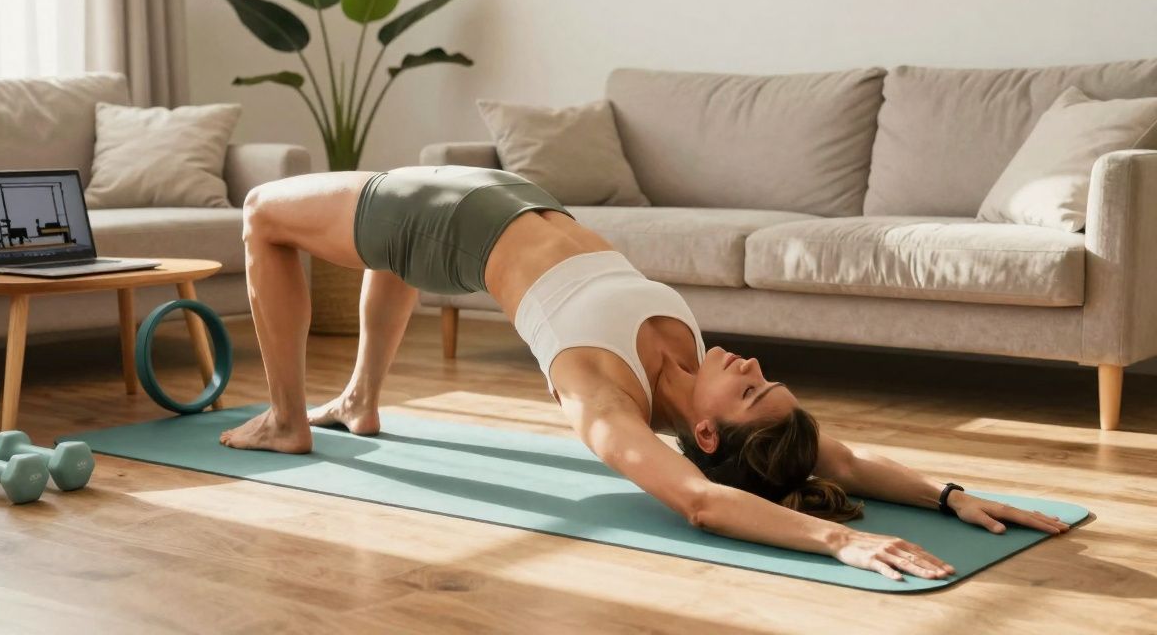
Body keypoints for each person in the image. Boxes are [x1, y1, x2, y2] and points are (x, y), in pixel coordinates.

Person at [221, 164, 1070, 581]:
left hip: (454, 226)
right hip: (505, 192)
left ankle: (291, 420)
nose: (749, 364)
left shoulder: (600, 399)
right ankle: (360, 402)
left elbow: (702, 500)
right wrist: (952, 496)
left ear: (703, 433)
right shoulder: (700, 370)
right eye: (762, 378)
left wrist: (840, 538)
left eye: (746, 389)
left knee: (263, 213)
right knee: (382, 245)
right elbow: (836, 461)